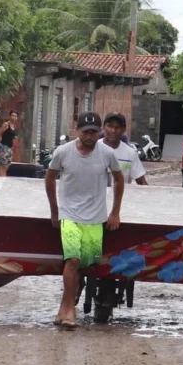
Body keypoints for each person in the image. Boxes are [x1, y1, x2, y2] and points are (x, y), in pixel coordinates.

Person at [45, 111, 125, 328]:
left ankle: (63, 308)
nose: (89, 136)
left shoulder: (107, 153)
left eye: (93, 132)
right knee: (72, 260)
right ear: (77, 131)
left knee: (86, 265)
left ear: (99, 131)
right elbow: (50, 177)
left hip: (95, 217)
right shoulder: (63, 152)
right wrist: (55, 210)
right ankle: (71, 311)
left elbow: (119, 179)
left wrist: (115, 212)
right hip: (69, 216)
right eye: (85, 132)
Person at [99, 112, 148, 185]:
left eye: (118, 127)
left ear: (124, 130)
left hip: (121, 195)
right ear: (103, 127)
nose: (113, 131)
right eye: (110, 126)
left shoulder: (130, 153)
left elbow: (141, 181)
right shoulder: (93, 148)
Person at [0, 110, 19, 177]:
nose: (13, 117)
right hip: (4, 147)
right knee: (3, 165)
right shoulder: (6, 124)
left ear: (17, 118)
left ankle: (3, 178)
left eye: (15, 116)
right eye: (12, 115)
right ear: (10, 116)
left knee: (7, 166)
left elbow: (13, 137)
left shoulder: (14, 126)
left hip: (10, 148)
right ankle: (0, 179)